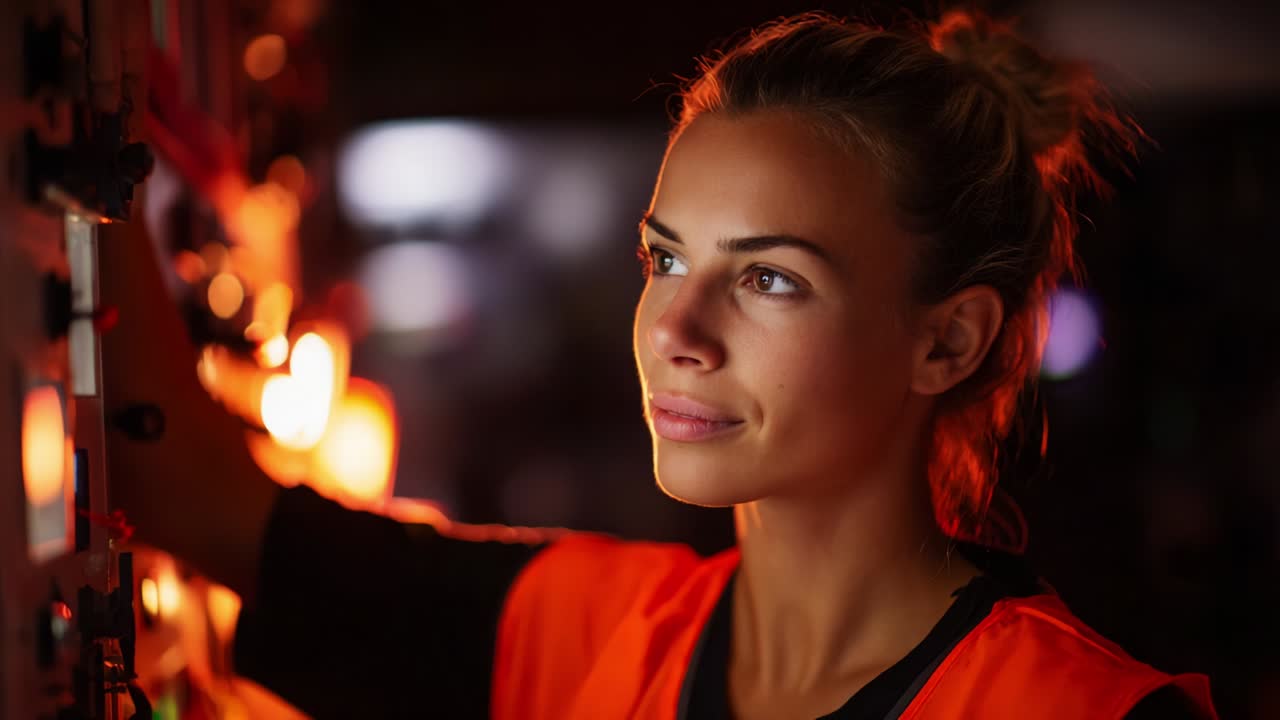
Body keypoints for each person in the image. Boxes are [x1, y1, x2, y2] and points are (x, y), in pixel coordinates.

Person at [101, 9, 1219, 719]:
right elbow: (183, 486)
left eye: (769, 277)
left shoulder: (1069, 709)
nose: (672, 328)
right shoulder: (586, 630)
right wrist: (91, 112)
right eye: (663, 257)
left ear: (946, 340)